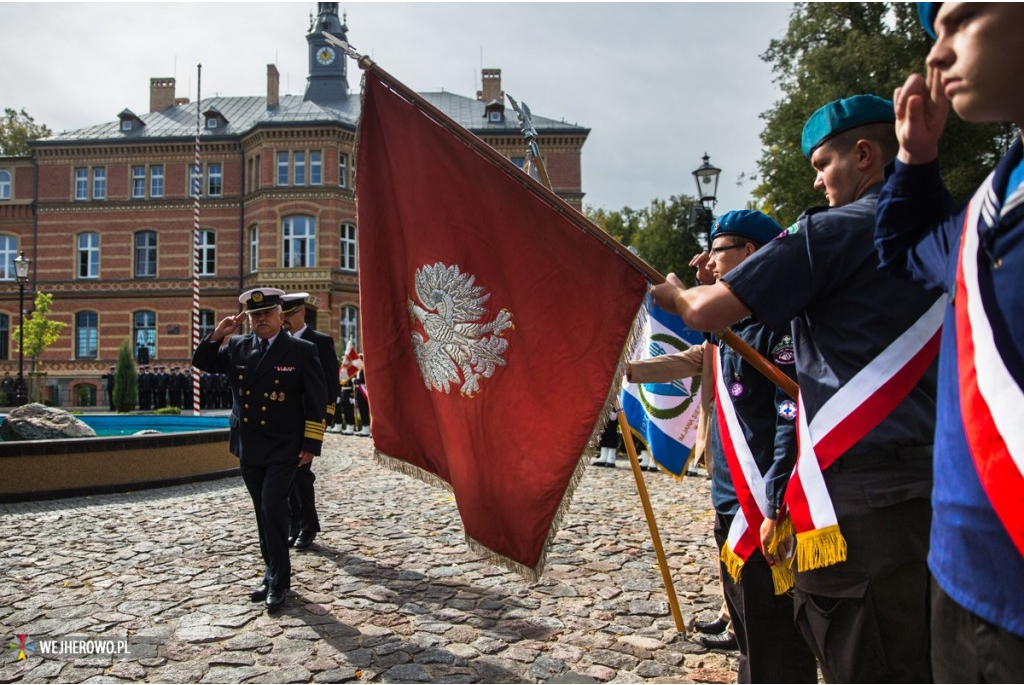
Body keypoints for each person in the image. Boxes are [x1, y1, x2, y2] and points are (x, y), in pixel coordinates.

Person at [651, 95, 942, 683]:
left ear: (864, 155)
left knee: (860, 661)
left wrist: (677, 294)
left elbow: (707, 312)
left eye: (821, 163)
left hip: (855, 495)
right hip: (928, 485)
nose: (817, 179)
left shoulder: (835, 231)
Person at [874, 3, 1024, 679]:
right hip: (960, 568)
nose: (935, 57)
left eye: (960, 20)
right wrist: (916, 156)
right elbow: (908, 248)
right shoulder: (990, 208)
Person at [633, 210, 814, 681]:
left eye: (717, 252)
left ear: (749, 253)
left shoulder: (777, 326)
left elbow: (787, 420)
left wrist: (775, 502)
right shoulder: (729, 329)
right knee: (750, 625)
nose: (708, 260)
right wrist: (626, 371)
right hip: (729, 496)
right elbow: (700, 350)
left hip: (762, 501)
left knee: (773, 633)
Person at [191, 287, 327, 612]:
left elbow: (317, 400)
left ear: (281, 315)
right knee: (261, 512)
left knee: (272, 508)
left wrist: (311, 444)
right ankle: (270, 573)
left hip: (284, 446)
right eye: (254, 315)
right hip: (249, 445)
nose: (260, 320)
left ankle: (279, 581)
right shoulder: (237, 346)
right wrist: (218, 334)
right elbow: (203, 363)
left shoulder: (301, 350)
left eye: (266, 313)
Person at [280, 292, 340, 550]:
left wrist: (319, 427)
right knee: (286, 477)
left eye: (290, 314)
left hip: (307, 421)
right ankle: (295, 523)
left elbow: (330, 387)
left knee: (301, 475)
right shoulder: (277, 342)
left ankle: (308, 525)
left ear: (302, 312)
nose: (285, 320)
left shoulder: (320, 342)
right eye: (282, 315)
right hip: (281, 421)